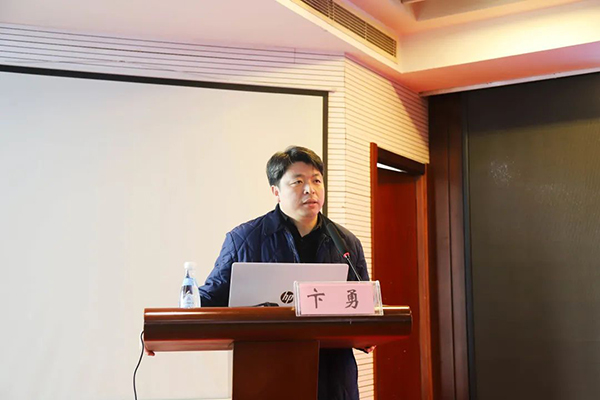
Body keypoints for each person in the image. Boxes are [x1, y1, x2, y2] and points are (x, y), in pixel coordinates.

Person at [199, 145, 370, 400]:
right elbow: (210, 299)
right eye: (298, 182)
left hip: (332, 379)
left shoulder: (346, 242)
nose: (310, 189)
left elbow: (364, 305)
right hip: (266, 376)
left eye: (316, 180)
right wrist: (167, 324)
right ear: (276, 191)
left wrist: (368, 331)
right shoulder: (244, 239)